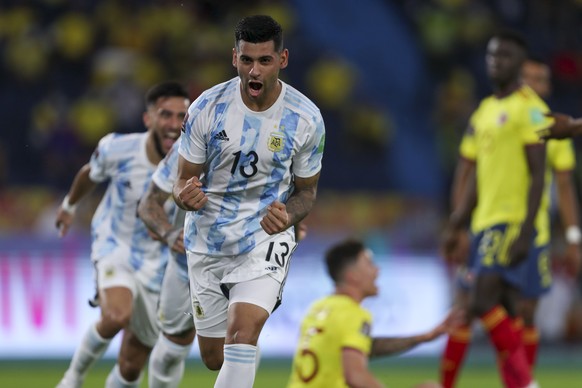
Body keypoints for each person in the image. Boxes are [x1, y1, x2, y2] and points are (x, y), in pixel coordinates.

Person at [172, 15, 326, 388]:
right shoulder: (207, 109)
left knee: (242, 334)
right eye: (246, 60)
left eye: (264, 61)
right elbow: (181, 181)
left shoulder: (306, 119)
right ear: (234, 58)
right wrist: (185, 196)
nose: (254, 71)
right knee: (215, 357)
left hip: (264, 237)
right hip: (208, 238)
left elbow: (307, 191)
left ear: (283, 59)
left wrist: (288, 214)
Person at [439, 56, 582, 388]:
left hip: (533, 233)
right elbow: (466, 171)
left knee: (524, 312)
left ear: (547, 87)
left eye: (540, 79)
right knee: (470, 304)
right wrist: (458, 225)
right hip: (485, 227)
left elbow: (563, 184)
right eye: (527, 76)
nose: (532, 85)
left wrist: (574, 237)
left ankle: (518, 383)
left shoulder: (544, 125)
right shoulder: (490, 114)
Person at [55, 81, 190, 388]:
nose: (173, 125)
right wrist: (69, 206)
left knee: (130, 367)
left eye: (181, 116)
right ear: (148, 119)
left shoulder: (195, 163)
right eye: (165, 115)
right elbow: (90, 173)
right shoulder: (118, 148)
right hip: (116, 244)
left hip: (160, 264)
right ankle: (71, 379)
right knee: (116, 315)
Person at [287, 238, 461, 388]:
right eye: (369, 263)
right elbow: (355, 377)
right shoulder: (354, 313)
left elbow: (362, 347)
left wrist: (423, 337)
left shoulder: (318, 308)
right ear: (352, 276)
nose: (377, 270)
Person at [137, 140, 195, 388]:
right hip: (186, 264)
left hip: (243, 261)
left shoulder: (272, 130)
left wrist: (289, 222)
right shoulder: (190, 141)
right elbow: (149, 203)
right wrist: (168, 232)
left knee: (241, 337)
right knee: (172, 350)